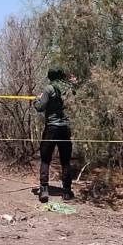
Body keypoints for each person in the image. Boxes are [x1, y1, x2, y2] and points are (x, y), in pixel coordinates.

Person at [33, 66, 75, 202]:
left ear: (49, 76)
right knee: (65, 160)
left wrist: (36, 100)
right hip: (65, 128)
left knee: (45, 159)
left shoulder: (48, 89)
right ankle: (67, 191)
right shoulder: (68, 89)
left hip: (52, 128)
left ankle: (44, 190)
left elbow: (40, 107)